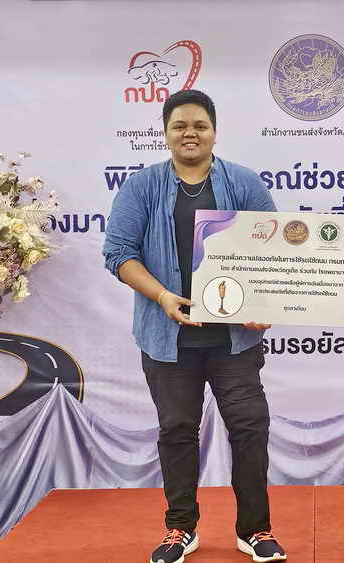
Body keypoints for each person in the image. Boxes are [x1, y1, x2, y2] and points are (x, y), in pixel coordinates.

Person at [103, 89, 287, 563]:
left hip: (234, 340)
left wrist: (264, 301)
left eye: (200, 126)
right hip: (169, 340)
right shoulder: (142, 187)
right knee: (177, 431)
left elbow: (274, 252)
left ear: (214, 132)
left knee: (250, 428)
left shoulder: (244, 183)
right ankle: (180, 529)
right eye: (180, 125)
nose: (190, 133)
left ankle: (255, 529)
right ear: (166, 133)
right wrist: (162, 295)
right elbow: (118, 254)